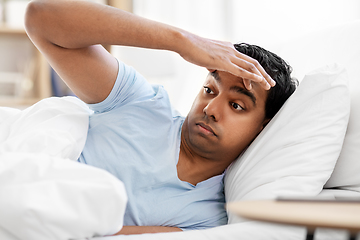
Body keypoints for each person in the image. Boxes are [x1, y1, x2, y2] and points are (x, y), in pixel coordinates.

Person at [24, 0, 297, 236]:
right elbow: (40, 17)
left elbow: (90, 235)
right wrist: (182, 41)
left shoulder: (206, 219)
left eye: (236, 105)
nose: (211, 108)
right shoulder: (140, 102)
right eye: (208, 90)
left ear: (264, 129)